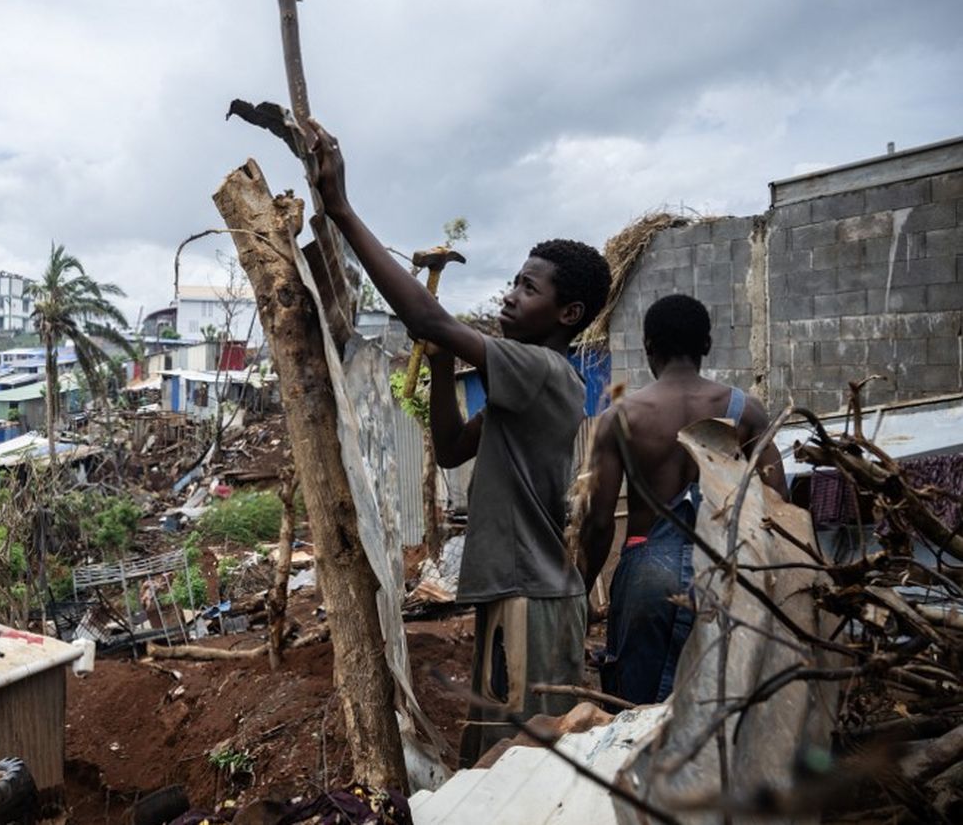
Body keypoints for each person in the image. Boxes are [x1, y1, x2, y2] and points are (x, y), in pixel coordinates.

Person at [306, 120, 611, 765]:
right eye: (514, 282)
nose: (511, 294)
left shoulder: (543, 370)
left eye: (529, 287)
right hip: (518, 592)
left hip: (536, 597)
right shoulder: (523, 382)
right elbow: (447, 448)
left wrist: (340, 209)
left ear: (568, 315)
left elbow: (425, 315)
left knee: (532, 766)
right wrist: (441, 357)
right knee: (506, 757)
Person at [580, 293, 788, 706]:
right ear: (707, 345)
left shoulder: (620, 417)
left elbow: (599, 520)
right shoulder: (746, 410)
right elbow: (775, 503)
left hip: (646, 570)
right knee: (721, 705)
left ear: (648, 348)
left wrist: (581, 592)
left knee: (635, 712)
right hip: (724, 568)